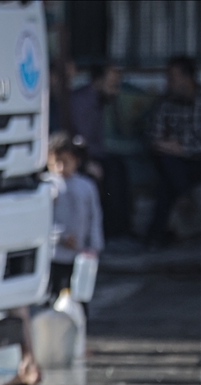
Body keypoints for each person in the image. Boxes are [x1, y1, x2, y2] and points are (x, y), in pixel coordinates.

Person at [69, 62, 132, 239]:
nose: (115, 91)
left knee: (119, 167)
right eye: (111, 85)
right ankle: (112, 232)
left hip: (96, 154)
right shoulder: (82, 102)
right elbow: (80, 140)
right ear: (97, 81)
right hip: (80, 157)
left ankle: (122, 230)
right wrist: (87, 162)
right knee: (111, 174)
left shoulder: (100, 102)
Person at [146, 55, 201, 248]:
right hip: (173, 162)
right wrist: (173, 148)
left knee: (167, 181)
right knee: (167, 172)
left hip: (196, 161)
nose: (168, 83)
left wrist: (183, 148)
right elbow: (155, 137)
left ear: (188, 78)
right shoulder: (164, 103)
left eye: (173, 77)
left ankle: (155, 236)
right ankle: (184, 194)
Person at [45, 133, 104, 311]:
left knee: (79, 297)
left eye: (66, 162)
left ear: (76, 161)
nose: (61, 167)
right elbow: (43, 222)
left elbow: (94, 216)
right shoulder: (47, 186)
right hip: (54, 254)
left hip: (80, 254)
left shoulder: (86, 186)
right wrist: (59, 237)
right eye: (56, 162)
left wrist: (95, 246)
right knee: (54, 297)